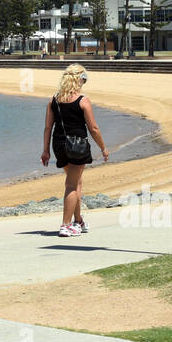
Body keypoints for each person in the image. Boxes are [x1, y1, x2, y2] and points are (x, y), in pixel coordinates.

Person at [41, 64, 111, 237]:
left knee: (76, 182)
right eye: (84, 80)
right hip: (77, 145)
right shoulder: (82, 100)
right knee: (72, 185)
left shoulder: (54, 100)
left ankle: (78, 221)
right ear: (79, 80)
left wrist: (46, 151)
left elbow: (48, 128)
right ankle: (65, 225)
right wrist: (103, 148)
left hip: (59, 145)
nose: (84, 83)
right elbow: (93, 128)